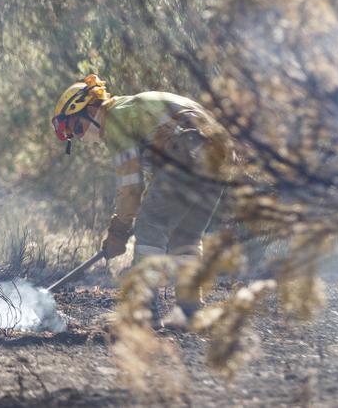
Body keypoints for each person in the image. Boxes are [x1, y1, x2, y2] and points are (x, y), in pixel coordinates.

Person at [51, 74, 234, 322]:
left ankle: (143, 309)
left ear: (91, 109)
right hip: (219, 158)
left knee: (150, 224)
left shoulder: (116, 119)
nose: (81, 137)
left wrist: (118, 231)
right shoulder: (132, 107)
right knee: (186, 235)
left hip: (188, 157)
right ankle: (191, 311)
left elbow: (131, 187)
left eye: (77, 128)